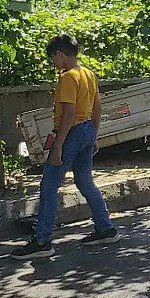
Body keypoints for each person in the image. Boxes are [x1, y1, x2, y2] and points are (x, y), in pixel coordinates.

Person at [11, 35, 119, 259]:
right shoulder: (88, 73)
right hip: (87, 129)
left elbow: (69, 114)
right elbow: (97, 108)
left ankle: (42, 241)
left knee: (49, 185)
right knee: (85, 181)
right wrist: (93, 136)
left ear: (59, 54)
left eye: (53, 58)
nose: (54, 63)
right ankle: (106, 228)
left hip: (71, 133)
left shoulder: (68, 78)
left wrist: (58, 146)